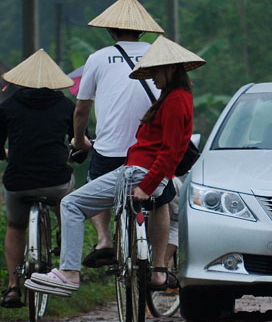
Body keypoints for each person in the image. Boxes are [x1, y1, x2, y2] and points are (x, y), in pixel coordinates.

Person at [25, 36, 204, 295]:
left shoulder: (176, 101)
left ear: (171, 68)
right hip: (138, 172)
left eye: (155, 71)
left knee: (70, 204)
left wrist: (148, 184)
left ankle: (69, 272)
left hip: (137, 174)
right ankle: (155, 269)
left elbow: (171, 149)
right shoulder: (174, 97)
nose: (152, 77)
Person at [71, 0, 174, 268]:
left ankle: (104, 239)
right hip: (151, 152)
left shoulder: (98, 58)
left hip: (110, 151)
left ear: (110, 29)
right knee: (160, 200)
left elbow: (81, 110)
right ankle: (160, 267)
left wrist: (80, 139)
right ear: (142, 29)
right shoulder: (159, 56)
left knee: (94, 183)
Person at [0, 49, 78, 308]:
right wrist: (75, 154)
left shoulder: (8, 106)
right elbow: (78, 139)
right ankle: (62, 245)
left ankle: (13, 287)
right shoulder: (65, 105)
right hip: (56, 180)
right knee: (68, 202)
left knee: (15, 226)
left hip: (18, 181)